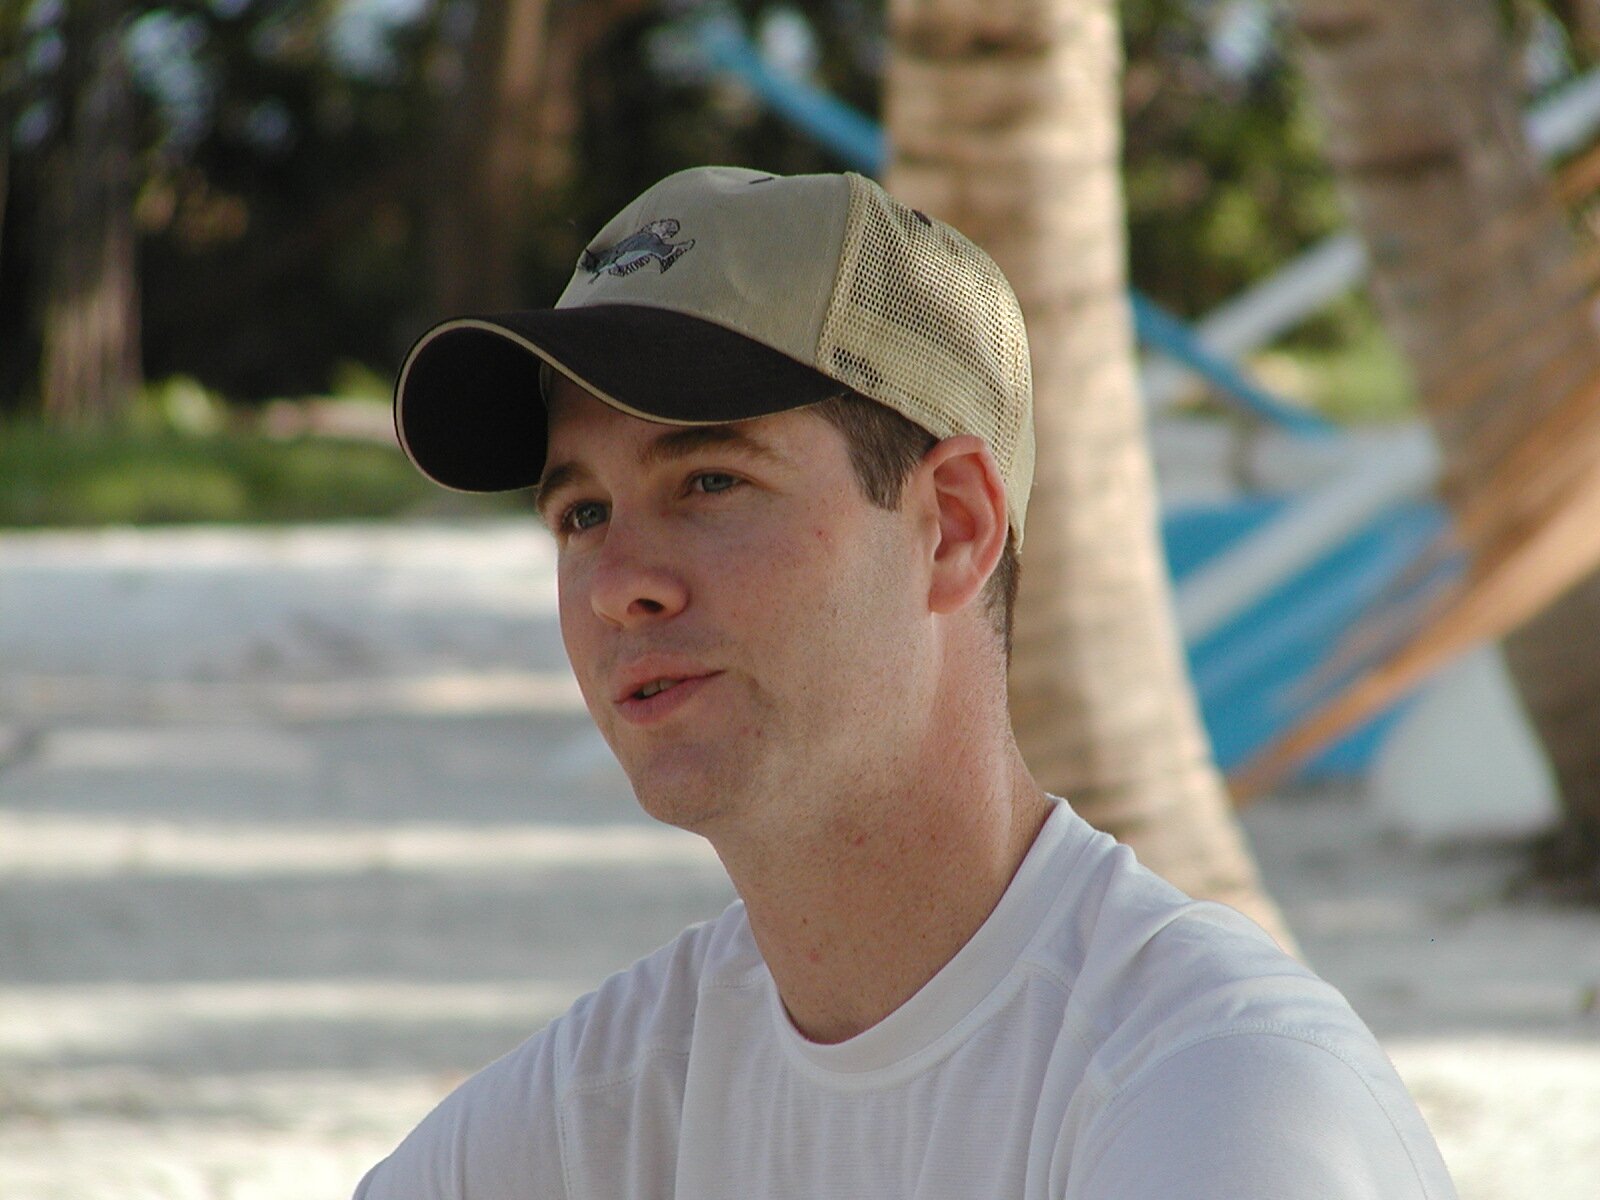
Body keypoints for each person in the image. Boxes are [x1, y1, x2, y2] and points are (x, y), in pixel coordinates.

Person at [357, 166, 1457, 1199]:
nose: (617, 587)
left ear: (954, 527)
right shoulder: (602, 1105)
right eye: (582, 514)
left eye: (710, 481)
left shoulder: (1215, 1093)